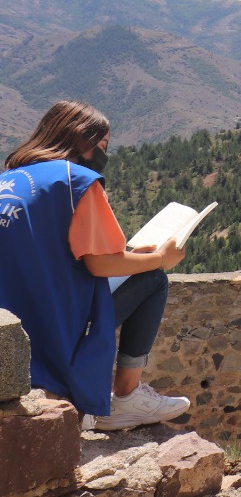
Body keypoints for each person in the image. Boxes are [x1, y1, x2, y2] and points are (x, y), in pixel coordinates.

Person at [0, 101, 190, 429]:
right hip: (54, 323)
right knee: (153, 279)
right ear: (80, 139)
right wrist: (161, 258)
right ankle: (126, 396)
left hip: (14, 321)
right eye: (102, 145)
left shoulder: (9, 179)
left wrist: (132, 255)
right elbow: (100, 264)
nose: (103, 154)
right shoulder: (76, 181)